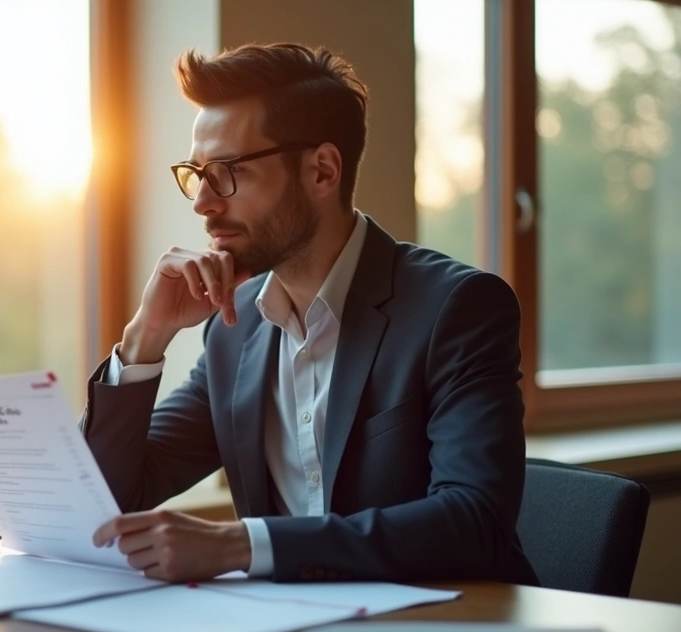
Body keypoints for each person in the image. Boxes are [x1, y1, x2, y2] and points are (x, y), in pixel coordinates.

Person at [81, 42, 539, 586]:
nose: (202, 201)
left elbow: (475, 523)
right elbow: (107, 498)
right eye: (196, 173)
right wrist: (145, 337)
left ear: (322, 171)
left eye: (225, 172)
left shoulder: (456, 309)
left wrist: (242, 544)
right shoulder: (236, 329)